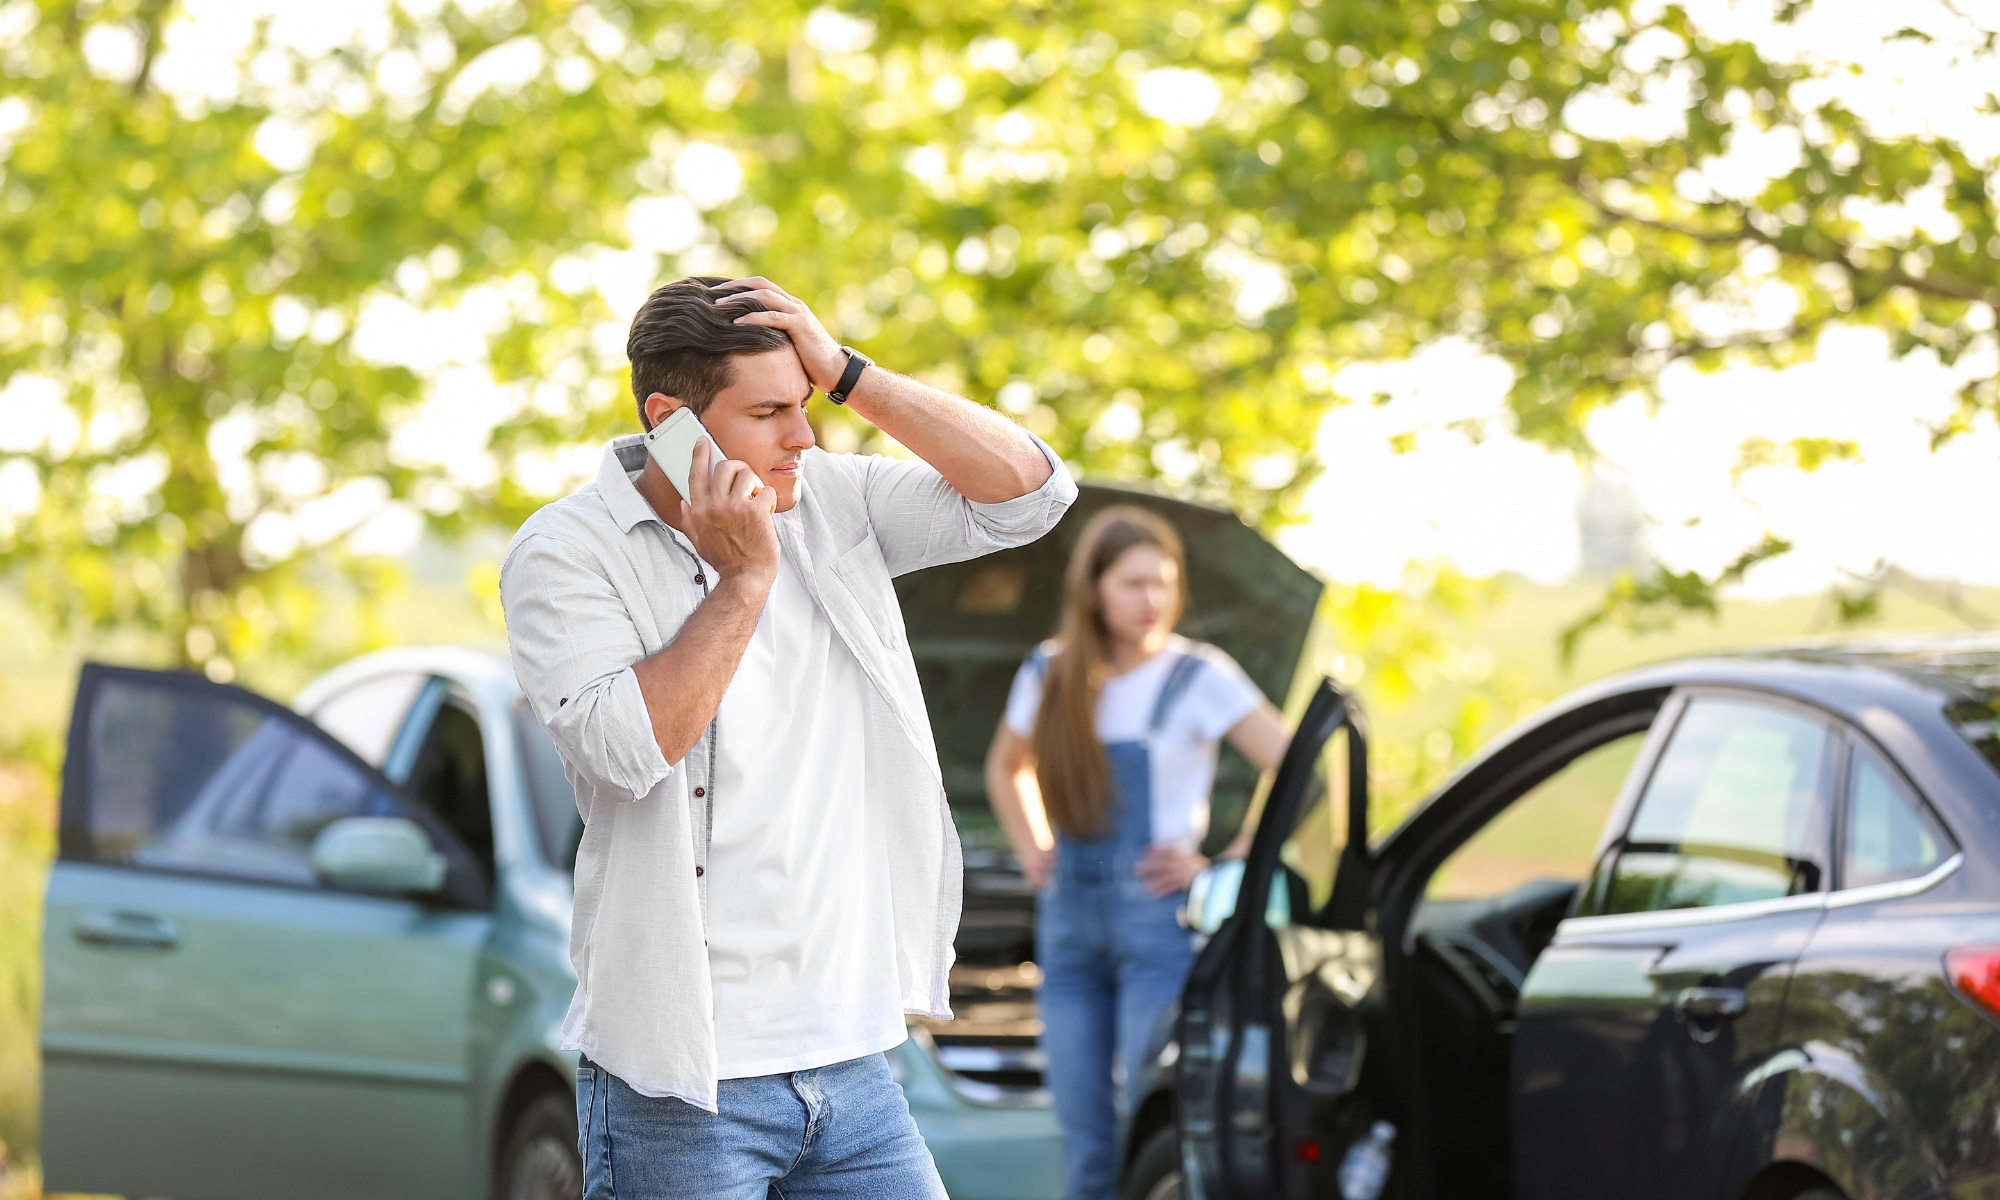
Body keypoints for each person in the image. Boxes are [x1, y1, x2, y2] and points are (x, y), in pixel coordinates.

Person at [500, 275, 1077, 1199]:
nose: (803, 435)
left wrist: (849, 373)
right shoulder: (565, 551)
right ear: (670, 421)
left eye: (806, 403)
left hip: (855, 1066)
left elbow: (1032, 495)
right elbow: (626, 750)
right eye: (770, 412)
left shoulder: (833, 499)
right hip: (683, 1085)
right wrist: (742, 583)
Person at [984, 505, 1289, 1200]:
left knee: (1147, 1119)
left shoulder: (1199, 676)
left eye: (1163, 583)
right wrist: (1034, 847)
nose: (1152, 599)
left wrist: (1228, 862)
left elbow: (1298, 769)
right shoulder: (1051, 671)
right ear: (1093, 589)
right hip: (1068, 929)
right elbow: (1007, 767)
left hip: (1160, 929)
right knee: (1083, 1129)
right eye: (1133, 583)